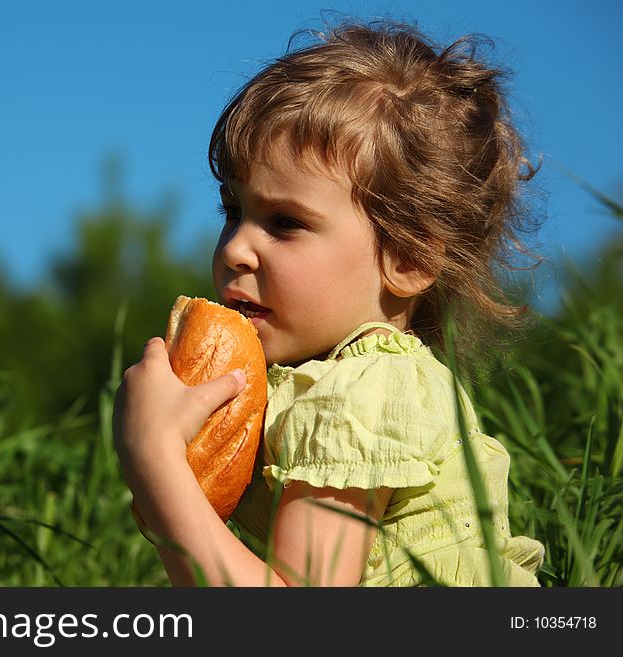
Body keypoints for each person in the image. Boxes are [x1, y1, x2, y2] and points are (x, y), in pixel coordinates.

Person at [112, 19, 545, 587]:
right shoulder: (327, 384)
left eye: (285, 222)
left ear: (409, 260)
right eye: (232, 211)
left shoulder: (363, 394)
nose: (236, 248)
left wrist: (155, 459)